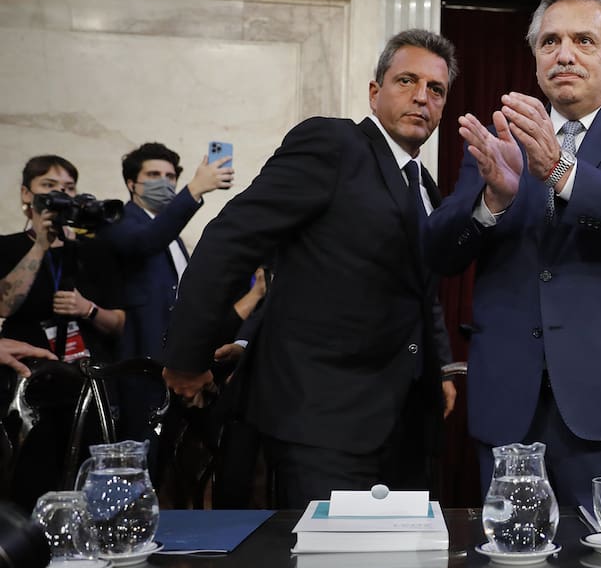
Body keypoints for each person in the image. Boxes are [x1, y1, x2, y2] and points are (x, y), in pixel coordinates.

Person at [424, 0, 601, 507]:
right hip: (510, 407)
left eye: (583, 40)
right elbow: (440, 254)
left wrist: (561, 171)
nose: (564, 54)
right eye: (550, 41)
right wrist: (492, 201)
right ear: (534, 58)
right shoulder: (501, 142)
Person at [161, 29, 460, 508]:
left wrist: (439, 367)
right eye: (406, 81)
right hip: (320, 418)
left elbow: (419, 290)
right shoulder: (333, 143)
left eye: (436, 89)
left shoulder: (423, 183)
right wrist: (185, 358)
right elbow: (229, 240)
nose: (421, 97)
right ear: (373, 91)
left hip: (403, 422)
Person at [99, 142, 234, 441]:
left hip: (174, 362)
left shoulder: (169, 234)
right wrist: (194, 190)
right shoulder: (120, 219)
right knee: (140, 444)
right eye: (154, 174)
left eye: (171, 176)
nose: (165, 182)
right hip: (139, 361)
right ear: (131, 183)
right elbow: (145, 242)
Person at [0, 156, 125, 362]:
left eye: (69, 187)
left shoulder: (96, 248)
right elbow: (4, 307)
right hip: (28, 368)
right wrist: (40, 245)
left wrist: (88, 309)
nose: (61, 193)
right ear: (26, 194)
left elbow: (119, 324)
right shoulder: (7, 246)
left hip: (88, 373)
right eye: (49, 185)